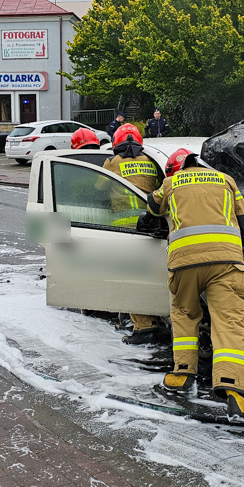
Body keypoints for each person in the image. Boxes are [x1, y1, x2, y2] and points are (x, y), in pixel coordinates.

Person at [147, 148, 244, 418]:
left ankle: (182, 374)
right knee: (230, 322)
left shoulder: (170, 183)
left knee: (185, 314)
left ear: (175, 168)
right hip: (226, 263)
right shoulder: (226, 180)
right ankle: (235, 391)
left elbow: (152, 209)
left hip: (184, 263)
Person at [102, 124, 163, 344]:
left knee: (130, 277)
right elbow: (157, 188)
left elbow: (99, 186)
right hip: (149, 224)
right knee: (148, 275)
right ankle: (155, 320)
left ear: (116, 142)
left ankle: (143, 327)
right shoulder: (149, 161)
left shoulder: (113, 162)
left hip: (123, 225)